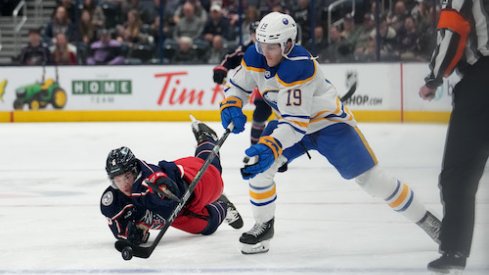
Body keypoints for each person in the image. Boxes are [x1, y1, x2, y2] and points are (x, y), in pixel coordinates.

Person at [219, 11, 441, 255]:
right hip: (290, 125)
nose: (265, 52)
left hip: (329, 126)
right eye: (261, 45)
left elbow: (297, 124)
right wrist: (231, 103)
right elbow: (238, 86)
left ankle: (430, 222)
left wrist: (272, 146)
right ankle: (264, 227)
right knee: (260, 169)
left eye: (272, 46)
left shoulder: (299, 66)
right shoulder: (256, 56)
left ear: (288, 44)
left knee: (374, 182)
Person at [418, 0, 489, 273]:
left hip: (481, 87)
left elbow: (452, 32)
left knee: (458, 174)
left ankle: (454, 249)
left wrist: (434, 78)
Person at [100, 120, 243, 246]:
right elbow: (121, 232)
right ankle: (222, 205)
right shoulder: (113, 200)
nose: (124, 184)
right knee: (207, 227)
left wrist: (165, 187)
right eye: (117, 180)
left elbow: (159, 179)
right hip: (176, 215)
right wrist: (134, 235)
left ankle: (206, 137)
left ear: (134, 170)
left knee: (214, 171)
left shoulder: (149, 178)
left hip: (189, 185)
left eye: (127, 177)